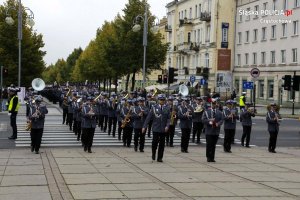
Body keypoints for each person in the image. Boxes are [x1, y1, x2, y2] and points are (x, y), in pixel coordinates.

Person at [143, 94, 170, 162]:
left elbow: (168, 118)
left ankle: (160, 158)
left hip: (163, 129)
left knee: (162, 144)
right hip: (156, 128)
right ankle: (153, 153)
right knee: (154, 143)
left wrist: (167, 126)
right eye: (161, 100)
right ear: (158, 100)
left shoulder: (167, 108)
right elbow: (148, 118)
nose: (162, 101)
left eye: (163, 100)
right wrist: (144, 126)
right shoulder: (154, 107)